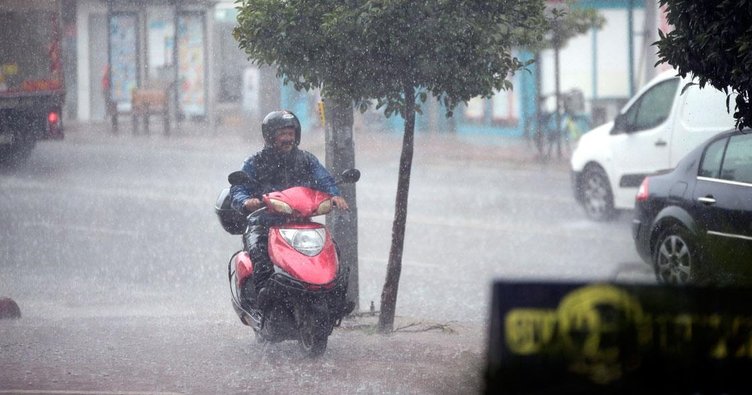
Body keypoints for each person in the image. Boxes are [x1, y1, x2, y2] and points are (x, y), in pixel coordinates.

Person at [230, 110, 349, 307]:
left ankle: (334, 299)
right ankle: (263, 301)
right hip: (264, 223)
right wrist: (245, 201)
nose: (287, 138)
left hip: (300, 223)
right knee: (260, 255)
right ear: (270, 136)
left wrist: (334, 194)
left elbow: (324, 178)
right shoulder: (255, 162)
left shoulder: (306, 160)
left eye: (290, 134)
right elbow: (239, 188)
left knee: (331, 250)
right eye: (282, 134)